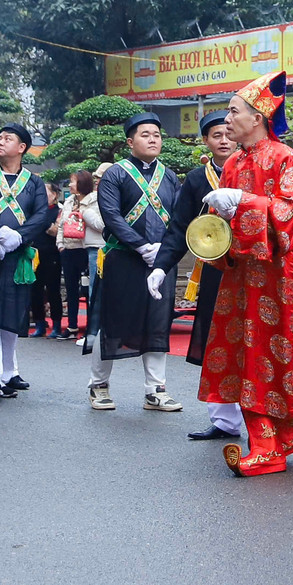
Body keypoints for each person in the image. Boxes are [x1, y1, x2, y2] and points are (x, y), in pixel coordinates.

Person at [198, 71, 293, 477]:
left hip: (278, 279)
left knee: (273, 354)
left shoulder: (286, 158)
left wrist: (243, 201)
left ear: (257, 117)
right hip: (241, 277)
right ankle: (266, 442)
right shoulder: (233, 162)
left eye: (234, 112)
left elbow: (289, 217)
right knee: (244, 356)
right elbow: (221, 226)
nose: (227, 119)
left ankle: (274, 443)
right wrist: (221, 217)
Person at [148, 110, 244, 442]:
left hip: (251, 266)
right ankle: (224, 420)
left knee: (251, 339)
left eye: (228, 134)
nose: (224, 141)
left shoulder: (252, 169)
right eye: (216, 135)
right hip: (215, 270)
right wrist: (160, 266)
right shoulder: (195, 179)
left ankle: (260, 417)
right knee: (217, 340)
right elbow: (179, 228)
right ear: (205, 140)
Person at [88, 113, 182, 412]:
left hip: (161, 261)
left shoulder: (169, 176)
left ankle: (155, 390)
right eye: (145, 134)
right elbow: (111, 217)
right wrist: (141, 246)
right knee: (113, 321)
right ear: (130, 142)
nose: (153, 139)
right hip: (124, 258)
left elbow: (179, 217)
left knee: (158, 322)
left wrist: (164, 250)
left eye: (157, 134)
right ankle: (98, 384)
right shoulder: (115, 174)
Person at [0, 124, 54, 399]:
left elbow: (41, 215)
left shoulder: (33, 181)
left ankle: (8, 372)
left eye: (6, 139)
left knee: (11, 315)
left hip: (18, 255)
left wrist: (18, 238)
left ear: (21, 148)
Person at [57, 170, 96, 342]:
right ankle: (71, 326)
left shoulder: (94, 200)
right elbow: (61, 224)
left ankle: (90, 327)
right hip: (68, 249)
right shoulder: (68, 201)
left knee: (87, 290)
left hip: (85, 249)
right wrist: (60, 244)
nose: (70, 185)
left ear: (82, 184)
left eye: (72, 181)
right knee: (70, 289)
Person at [78, 163, 111, 348]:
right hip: (93, 247)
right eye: (96, 177)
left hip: (103, 247)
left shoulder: (109, 196)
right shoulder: (93, 196)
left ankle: (99, 332)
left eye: (100, 177)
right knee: (93, 291)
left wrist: (86, 214)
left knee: (99, 291)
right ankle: (94, 331)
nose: (97, 180)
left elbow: (104, 224)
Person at [28, 182, 65, 338]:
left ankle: (56, 324)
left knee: (53, 290)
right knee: (35, 290)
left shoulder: (59, 211)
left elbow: (55, 231)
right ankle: (39, 323)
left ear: (54, 195)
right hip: (35, 254)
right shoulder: (34, 210)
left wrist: (42, 222)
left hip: (52, 254)